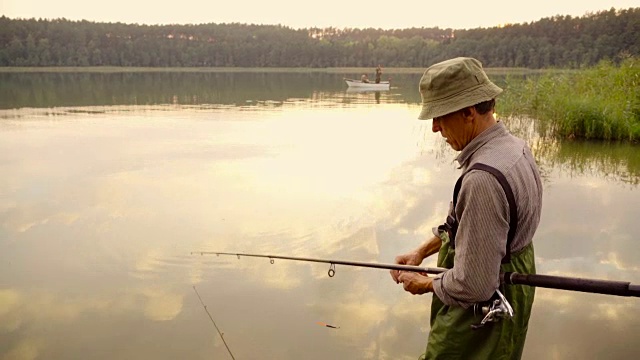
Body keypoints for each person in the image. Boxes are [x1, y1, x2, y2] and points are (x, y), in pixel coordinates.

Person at [390, 57, 543, 359]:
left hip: (480, 306)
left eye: (440, 117)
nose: (435, 128)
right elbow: (471, 224)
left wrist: (424, 284)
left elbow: (474, 284)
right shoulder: (514, 147)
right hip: (511, 283)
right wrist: (421, 252)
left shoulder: (483, 179)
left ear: (469, 112)